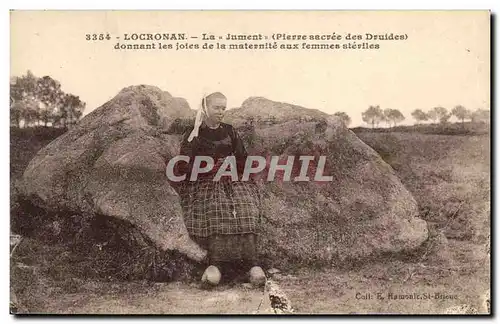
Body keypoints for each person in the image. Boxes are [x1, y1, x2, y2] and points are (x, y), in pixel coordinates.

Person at [174, 91, 266, 287]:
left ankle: (252, 265)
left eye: (223, 108)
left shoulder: (230, 131)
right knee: (216, 208)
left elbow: (244, 160)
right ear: (206, 108)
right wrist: (209, 167)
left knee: (245, 204)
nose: (221, 111)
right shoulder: (194, 134)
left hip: (230, 179)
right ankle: (215, 266)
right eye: (217, 107)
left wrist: (232, 164)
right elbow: (183, 167)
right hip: (204, 182)